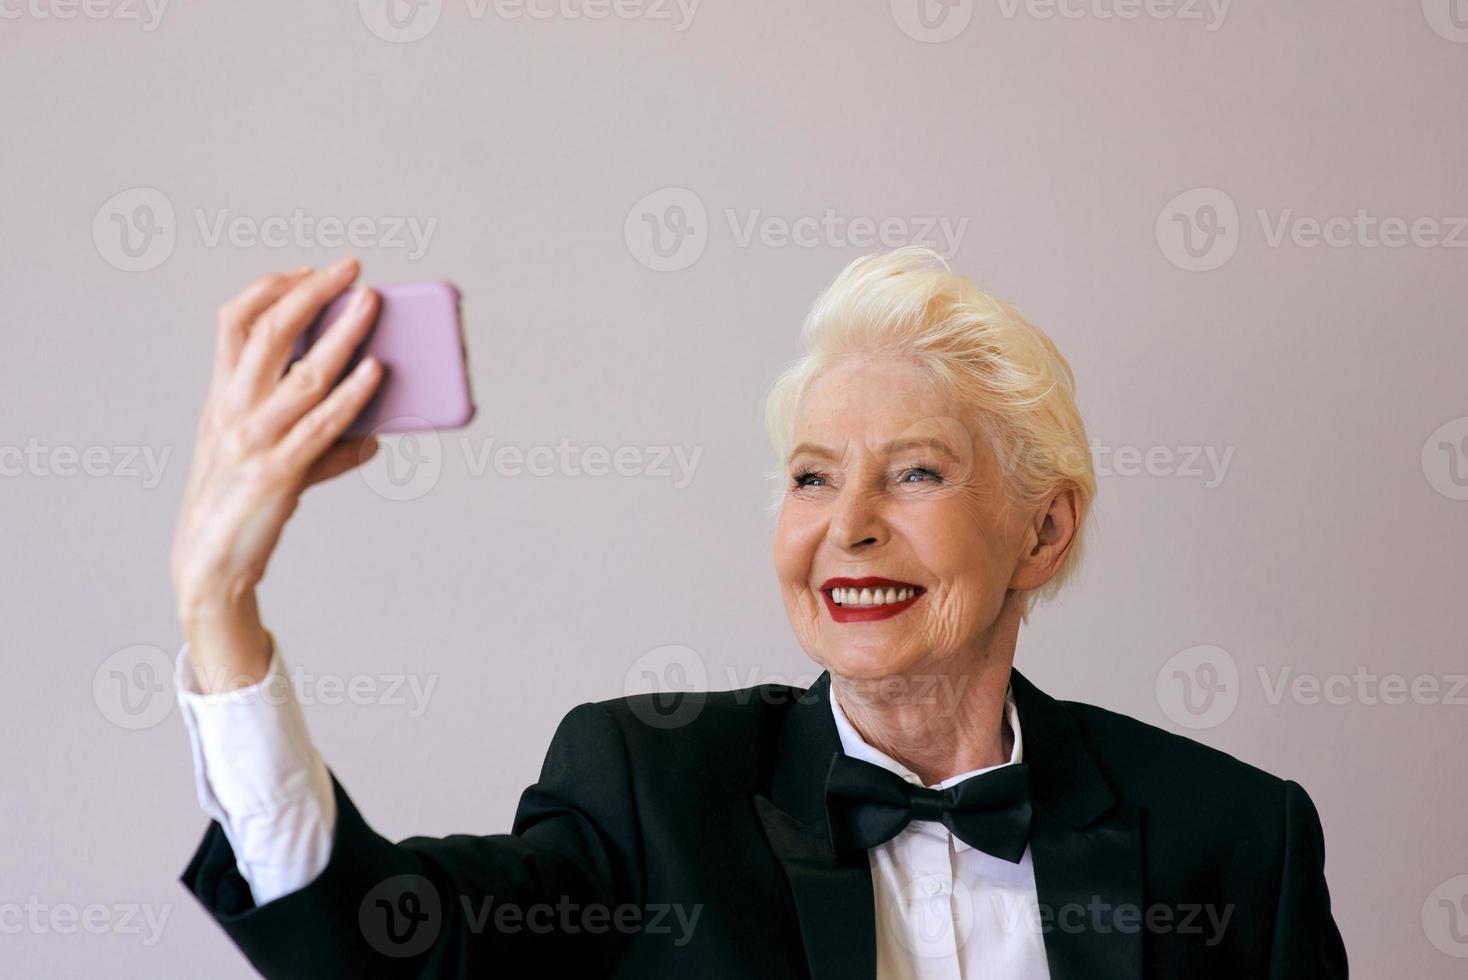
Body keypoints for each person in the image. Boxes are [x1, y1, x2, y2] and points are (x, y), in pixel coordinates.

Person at [169, 247, 1348, 978]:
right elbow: (380, 947)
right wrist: (221, 608)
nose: (849, 524)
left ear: (1043, 530)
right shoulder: (648, 787)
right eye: (811, 475)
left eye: (918, 472)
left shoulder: (1239, 838)